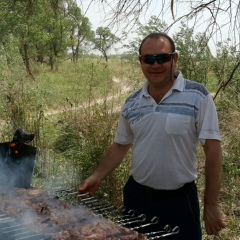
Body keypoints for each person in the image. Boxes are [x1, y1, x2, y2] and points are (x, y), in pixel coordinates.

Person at [79, 32, 226, 239]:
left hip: (180, 201)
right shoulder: (132, 101)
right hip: (137, 197)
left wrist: (211, 205)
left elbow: (213, 150)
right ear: (141, 61)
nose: (155, 64)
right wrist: (97, 175)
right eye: (148, 59)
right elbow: (120, 145)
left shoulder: (198, 95)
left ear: (174, 59)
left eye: (162, 58)